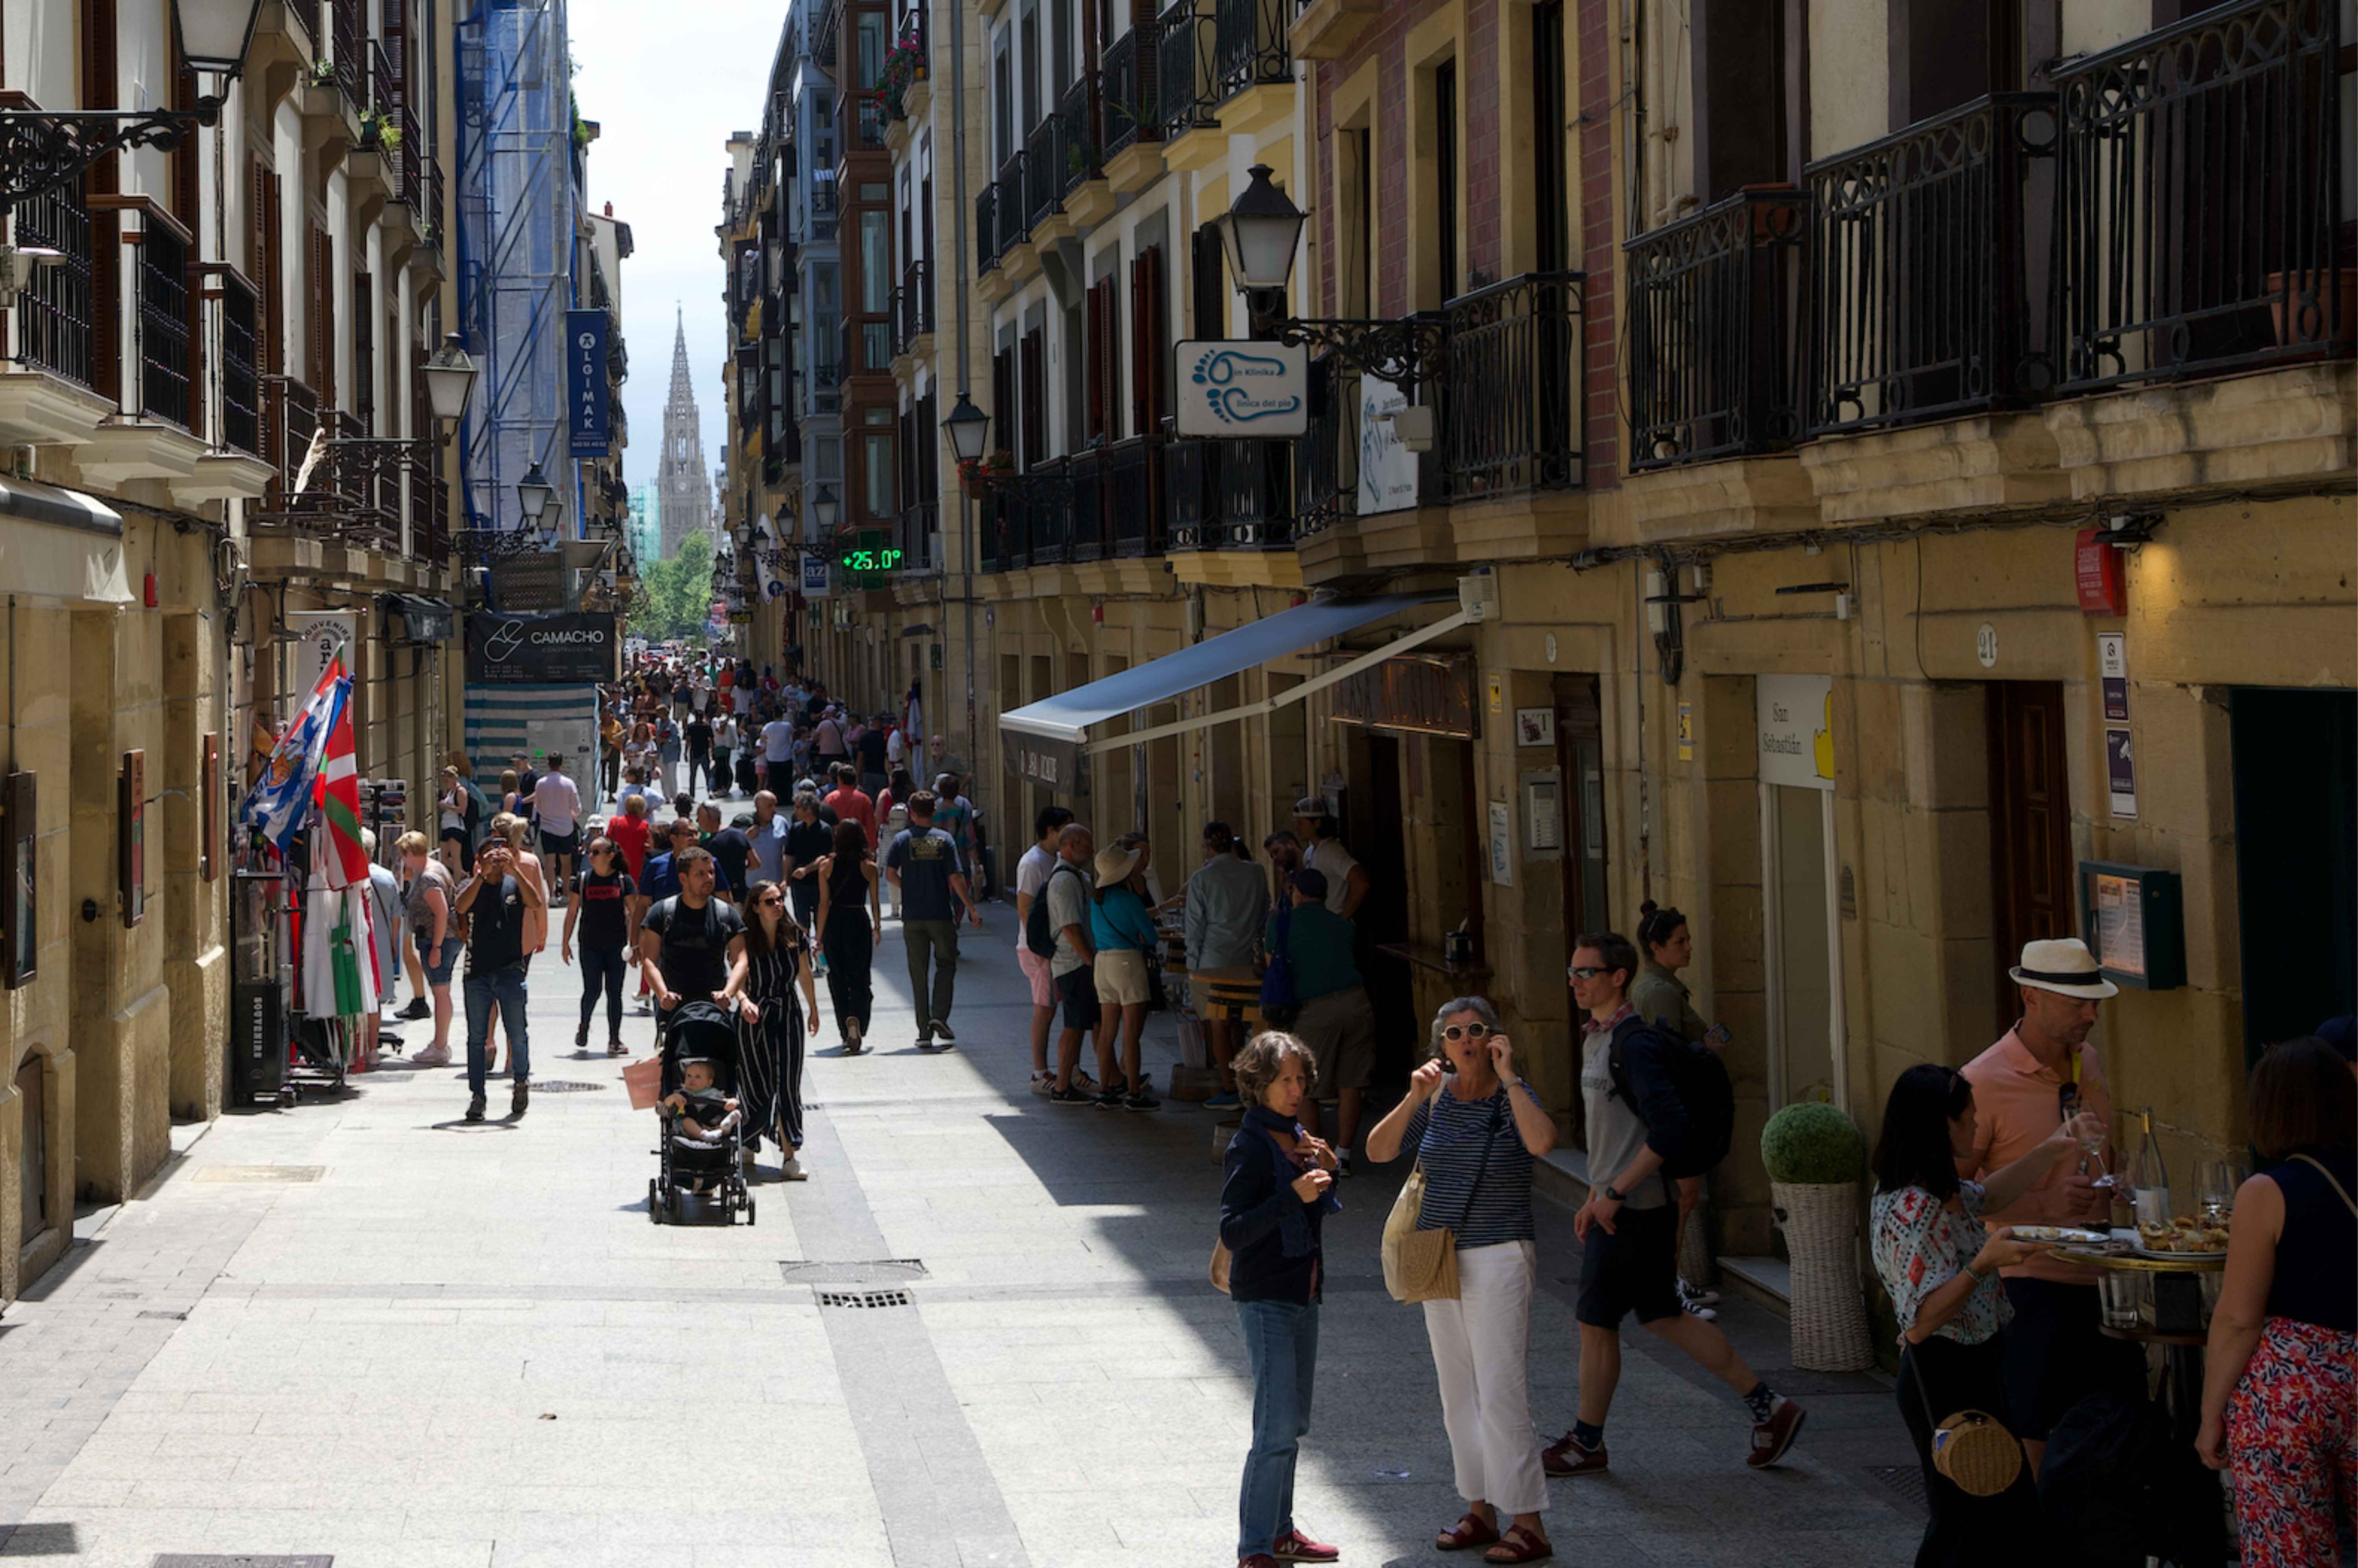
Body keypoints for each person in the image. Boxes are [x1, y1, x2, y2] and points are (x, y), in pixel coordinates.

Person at [1547, 933, 1805, 1479]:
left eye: (1587, 972)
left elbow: (1669, 1129)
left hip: (1635, 1212)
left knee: (1597, 1322)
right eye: (1572, 972)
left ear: (1619, 976)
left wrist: (1613, 1195)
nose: (1576, 981)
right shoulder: (1599, 1039)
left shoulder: (1633, 1044)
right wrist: (1597, 1192)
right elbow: (1617, 1131)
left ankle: (1587, 1441)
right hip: (1623, 1207)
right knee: (1663, 1315)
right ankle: (1769, 1406)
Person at [1871, 1064, 2095, 1566]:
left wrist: (2059, 1144)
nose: (1976, 1127)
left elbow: (1991, 1195)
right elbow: (1920, 1319)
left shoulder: (1939, 1189)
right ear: (1940, 1125)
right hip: (1944, 1374)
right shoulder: (1913, 1206)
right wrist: (1984, 1264)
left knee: (2000, 1519)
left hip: (1976, 1366)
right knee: (1966, 1520)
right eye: (1967, 1118)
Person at [1365, 997, 1557, 1565]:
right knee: (1458, 1394)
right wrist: (1414, 1095)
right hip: (1440, 1255)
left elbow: (1543, 1143)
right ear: (1441, 1046)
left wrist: (1511, 1078)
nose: (1467, 1040)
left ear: (1494, 1038)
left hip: (1500, 1253)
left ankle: (1529, 1521)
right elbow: (1378, 1150)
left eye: (1477, 1030)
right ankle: (1480, 1509)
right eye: (1455, 1033)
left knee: (1501, 1391)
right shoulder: (1438, 1100)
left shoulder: (1512, 1095)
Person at [1956, 938, 2141, 1473]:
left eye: (2096, 1002)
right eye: (2077, 1003)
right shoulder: (1980, 1081)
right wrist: (2044, 1200)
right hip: (2031, 1287)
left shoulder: (2089, 1060)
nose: (2092, 1014)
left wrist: (2119, 1179)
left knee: (2118, 1432)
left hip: (2106, 1277)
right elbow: (1958, 1202)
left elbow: (2100, 1152)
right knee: (2032, 1436)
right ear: (2032, 997)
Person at [2198, 1036, 2358, 1568]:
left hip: (2290, 1390)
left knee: (2289, 1550)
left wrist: (2210, 1412)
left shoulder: (2268, 1190)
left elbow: (2239, 1318)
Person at [1219, 1030, 1342, 1568]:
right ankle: (1255, 1547)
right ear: (1259, 1084)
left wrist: (1327, 1171)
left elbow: (1317, 1207)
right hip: (1266, 1294)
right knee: (1274, 1425)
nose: (1296, 1090)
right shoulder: (1250, 1145)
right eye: (1284, 1080)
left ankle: (1282, 1531)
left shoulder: (1297, 1135)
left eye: (1300, 1079)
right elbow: (1233, 1228)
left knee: (1294, 1422)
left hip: (1304, 1290)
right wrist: (1292, 1194)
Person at [1631, 902, 1728, 1321]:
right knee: (1684, 1196)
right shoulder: (1661, 992)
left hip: (1671, 1110)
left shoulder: (1659, 986)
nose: (1689, 949)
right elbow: (1668, 1055)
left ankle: (1670, 1278)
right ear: (1657, 947)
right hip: (1675, 1112)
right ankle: (1666, 1283)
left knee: (1681, 1196)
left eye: (1688, 940)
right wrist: (1704, 1050)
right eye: (1680, 942)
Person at [1267, 868, 1375, 1170]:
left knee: (1306, 1087)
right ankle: (1344, 1154)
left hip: (1315, 1009)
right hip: (1356, 1002)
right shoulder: (1343, 924)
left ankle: (1317, 1157)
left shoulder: (1281, 922)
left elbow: (1271, 966)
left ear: (1297, 894)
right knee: (1351, 1082)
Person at [719, 879, 821, 1180]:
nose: (778, 906)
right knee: (755, 1085)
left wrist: (813, 1008)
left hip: (788, 1014)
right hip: (753, 1019)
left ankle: (790, 1157)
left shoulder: (795, 935)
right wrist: (743, 1000)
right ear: (755, 907)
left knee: (787, 1085)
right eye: (770, 901)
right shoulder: (744, 939)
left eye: (780, 900)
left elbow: (804, 974)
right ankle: (749, 1138)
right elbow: (735, 978)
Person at [454, 834, 543, 1123]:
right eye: (489, 856)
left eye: (500, 855)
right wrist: (482, 876)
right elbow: (461, 907)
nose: (496, 861)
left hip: (510, 969)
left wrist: (515, 870)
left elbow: (537, 902)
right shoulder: (472, 886)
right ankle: (478, 1096)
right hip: (477, 971)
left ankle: (520, 1083)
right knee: (477, 1038)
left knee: (517, 1033)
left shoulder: (514, 884)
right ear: (478, 861)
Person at [885, 790, 982, 1050]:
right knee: (946, 965)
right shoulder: (945, 839)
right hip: (941, 914)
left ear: (911, 813)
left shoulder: (902, 840)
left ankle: (923, 1031)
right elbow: (956, 878)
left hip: (913, 917)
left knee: (918, 974)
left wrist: (907, 888)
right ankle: (939, 1015)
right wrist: (971, 907)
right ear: (934, 812)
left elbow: (890, 873)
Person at [1186, 821, 1270, 1111]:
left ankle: (1228, 1085)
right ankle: (1249, 1081)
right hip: (1245, 956)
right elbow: (1263, 914)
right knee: (1242, 1019)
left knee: (1218, 1022)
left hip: (1212, 960)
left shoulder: (1202, 879)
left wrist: (1192, 965)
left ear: (1207, 846)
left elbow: (1195, 926)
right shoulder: (1256, 872)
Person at [639, 846, 749, 1051]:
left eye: (711, 873)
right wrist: (663, 994)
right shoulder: (662, 913)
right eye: (700, 874)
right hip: (673, 1009)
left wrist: (729, 992)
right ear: (683, 878)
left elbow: (741, 959)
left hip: (714, 1008)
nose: (708, 878)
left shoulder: (726, 914)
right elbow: (649, 961)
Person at [1089, 841, 1163, 1111]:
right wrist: (1142, 939)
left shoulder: (1097, 900)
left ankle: (1105, 1089)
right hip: (1127, 962)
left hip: (1102, 963)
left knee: (1107, 1031)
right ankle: (1133, 1092)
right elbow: (1152, 935)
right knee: (1131, 1033)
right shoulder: (1129, 899)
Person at [1019, 806, 1078, 1095]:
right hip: (1041, 949)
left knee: (1057, 1008)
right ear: (1051, 831)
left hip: (1051, 948)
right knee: (1045, 1010)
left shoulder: (1054, 860)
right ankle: (1039, 1073)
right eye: (1066, 828)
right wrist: (1042, 947)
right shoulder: (1033, 863)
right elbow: (1024, 907)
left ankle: (1071, 1070)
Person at [561, 836, 635, 1055]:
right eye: (590, 852)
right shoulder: (583, 880)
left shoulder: (623, 881)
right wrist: (565, 943)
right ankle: (584, 1025)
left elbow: (635, 912)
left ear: (610, 856)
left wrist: (635, 945)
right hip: (590, 944)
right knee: (592, 990)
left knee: (615, 992)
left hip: (617, 945)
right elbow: (572, 912)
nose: (590, 856)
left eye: (596, 852)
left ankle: (614, 1039)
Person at [1044, 824, 1102, 1107]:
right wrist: (1091, 961)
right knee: (1074, 1025)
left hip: (1078, 961)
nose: (1092, 850)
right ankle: (1063, 1086)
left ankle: (1073, 1081)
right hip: (1073, 962)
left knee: (1081, 1024)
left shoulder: (1078, 877)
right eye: (1086, 845)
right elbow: (1070, 927)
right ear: (1070, 846)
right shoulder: (1064, 881)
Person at [814, 818, 881, 1052]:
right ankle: (858, 1020)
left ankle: (845, 1029)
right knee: (861, 976)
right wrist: (878, 927)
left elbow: (823, 904)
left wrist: (819, 936)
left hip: (835, 921)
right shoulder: (869, 867)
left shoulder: (826, 866)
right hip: (858, 919)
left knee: (838, 978)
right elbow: (874, 902)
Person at [397, 832, 457, 1066]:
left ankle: (440, 1046)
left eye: (404, 856)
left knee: (441, 991)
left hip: (437, 939)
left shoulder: (429, 879)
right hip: (438, 938)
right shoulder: (435, 869)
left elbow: (441, 912)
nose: (403, 861)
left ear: (410, 854)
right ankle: (440, 1044)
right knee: (441, 991)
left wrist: (437, 947)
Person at [359, 830, 403, 1071]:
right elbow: (397, 916)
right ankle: (372, 1049)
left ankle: (357, 1048)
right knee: (374, 1000)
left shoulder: (349, 877)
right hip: (381, 945)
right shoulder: (387, 878)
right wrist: (394, 943)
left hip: (358, 943)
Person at [1289, 797, 1367, 919]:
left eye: (1301, 823)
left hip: (1333, 921)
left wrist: (1343, 918)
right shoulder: (1310, 852)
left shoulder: (1332, 851)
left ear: (1317, 824)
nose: (1297, 828)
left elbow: (1361, 882)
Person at [531, 754, 582, 902]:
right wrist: (572, 814)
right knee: (566, 862)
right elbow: (577, 807)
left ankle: (552, 895)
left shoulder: (541, 783)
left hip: (547, 827)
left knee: (549, 862)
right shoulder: (569, 783)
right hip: (566, 827)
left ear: (548, 765)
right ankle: (566, 894)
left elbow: (538, 806)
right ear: (562, 765)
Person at [782, 790, 834, 932]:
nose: (795, 811)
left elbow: (824, 857)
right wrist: (786, 880)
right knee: (801, 924)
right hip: (799, 885)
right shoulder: (796, 829)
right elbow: (789, 855)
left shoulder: (825, 830)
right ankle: (804, 953)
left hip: (819, 883)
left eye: (798, 807)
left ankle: (821, 950)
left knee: (821, 922)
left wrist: (806, 870)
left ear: (809, 810)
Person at [700, 802, 751, 905]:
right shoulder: (739, 835)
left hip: (719, 900)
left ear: (709, 818)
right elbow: (756, 863)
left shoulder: (707, 846)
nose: (698, 821)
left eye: (699, 817)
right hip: (741, 895)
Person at [824, 762, 878, 849]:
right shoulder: (865, 799)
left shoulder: (830, 799)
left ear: (839, 780)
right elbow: (870, 826)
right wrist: (872, 847)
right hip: (858, 846)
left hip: (837, 846)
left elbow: (825, 825)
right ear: (855, 780)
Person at [684, 709, 716, 799]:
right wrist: (712, 751)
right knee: (707, 774)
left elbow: (688, 741)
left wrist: (686, 752)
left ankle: (692, 794)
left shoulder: (691, 727)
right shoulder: (707, 727)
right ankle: (709, 791)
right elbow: (711, 741)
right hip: (704, 753)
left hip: (694, 753)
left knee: (693, 775)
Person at [856, 715, 889, 798]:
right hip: (882, 773)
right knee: (882, 798)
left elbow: (860, 758)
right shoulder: (885, 738)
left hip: (868, 772)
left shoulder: (865, 738)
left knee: (870, 798)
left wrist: (858, 775)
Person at [711, 712, 738, 798]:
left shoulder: (729, 723)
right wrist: (725, 723)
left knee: (725, 767)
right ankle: (719, 787)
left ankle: (725, 787)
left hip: (726, 747)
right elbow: (720, 732)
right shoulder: (715, 721)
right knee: (719, 768)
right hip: (719, 747)